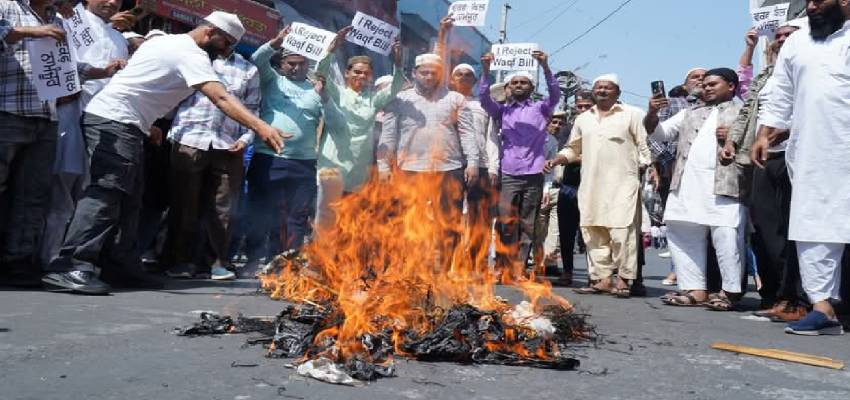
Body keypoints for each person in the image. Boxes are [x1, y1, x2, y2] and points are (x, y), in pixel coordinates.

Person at [41, 12, 287, 295]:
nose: (226, 50)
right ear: (209, 32)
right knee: (107, 193)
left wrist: (151, 125)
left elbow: (145, 84)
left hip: (131, 123)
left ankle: (119, 264)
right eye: (225, 42)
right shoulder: (188, 53)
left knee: (131, 199)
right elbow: (219, 96)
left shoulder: (167, 43)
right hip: (115, 119)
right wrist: (260, 127)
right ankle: (70, 265)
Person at [755, 0, 849, 336]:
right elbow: (781, 91)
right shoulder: (797, 41)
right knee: (813, 222)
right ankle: (823, 306)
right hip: (813, 147)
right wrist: (765, 132)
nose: (811, 7)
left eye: (819, 0)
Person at [40, 0, 129, 277]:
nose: (112, 1)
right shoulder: (69, 19)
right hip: (69, 110)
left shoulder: (119, 38)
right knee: (60, 190)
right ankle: (48, 258)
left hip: (104, 123)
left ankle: (73, 261)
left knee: (88, 191)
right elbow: (57, 61)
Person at [725, 21, 805, 322]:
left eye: (790, 35)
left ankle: (803, 298)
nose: (782, 39)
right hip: (764, 157)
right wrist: (735, 139)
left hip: (797, 155)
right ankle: (781, 296)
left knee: (794, 229)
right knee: (768, 230)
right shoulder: (769, 76)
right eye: (779, 36)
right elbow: (747, 102)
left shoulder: (811, 69)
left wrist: (786, 132)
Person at [648, 68, 746, 311]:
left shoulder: (743, 112)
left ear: (731, 86)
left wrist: (736, 136)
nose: (707, 87)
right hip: (686, 186)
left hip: (724, 187)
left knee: (727, 237)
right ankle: (695, 289)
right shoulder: (689, 113)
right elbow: (658, 133)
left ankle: (729, 291)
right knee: (682, 232)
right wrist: (652, 112)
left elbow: (758, 144)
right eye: (705, 84)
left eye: (713, 84)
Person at [163, 41, 261, 281]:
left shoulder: (248, 69)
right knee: (185, 204)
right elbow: (170, 98)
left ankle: (215, 262)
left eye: (228, 38)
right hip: (190, 139)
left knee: (223, 208)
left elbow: (253, 108)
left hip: (229, 145)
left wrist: (247, 138)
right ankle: (180, 261)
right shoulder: (194, 59)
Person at [548, 74, 651, 297]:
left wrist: (641, 167)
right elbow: (573, 148)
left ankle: (624, 280)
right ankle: (602, 279)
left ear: (618, 93)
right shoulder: (583, 119)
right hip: (591, 184)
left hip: (622, 183)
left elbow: (644, 147)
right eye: (598, 87)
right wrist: (558, 159)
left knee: (622, 231)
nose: (602, 91)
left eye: (608, 87)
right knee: (593, 231)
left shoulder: (632, 114)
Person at [244, 26, 322, 264]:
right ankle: (255, 259)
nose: (296, 67)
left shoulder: (317, 89)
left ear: (308, 64)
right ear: (282, 63)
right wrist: (275, 42)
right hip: (269, 157)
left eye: (302, 63)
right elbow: (257, 59)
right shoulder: (272, 81)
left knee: (297, 217)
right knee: (263, 211)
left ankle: (287, 263)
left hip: (304, 162)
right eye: (291, 63)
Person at [0, 0, 66, 286]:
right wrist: (32, 31)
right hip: (7, 110)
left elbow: (67, 65)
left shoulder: (57, 19)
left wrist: (99, 71)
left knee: (33, 195)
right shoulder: (6, 6)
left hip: (47, 117)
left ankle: (17, 261)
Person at [479, 50, 560, 278]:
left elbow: (555, 94)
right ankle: (502, 265)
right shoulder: (502, 111)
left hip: (533, 174)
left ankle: (518, 268)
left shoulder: (541, 109)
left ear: (531, 88)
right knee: (505, 222)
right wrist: (485, 71)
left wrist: (545, 67)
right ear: (509, 87)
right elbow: (484, 99)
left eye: (523, 82)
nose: (519, 85)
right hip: (509, 173)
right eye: (514, 82)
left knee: (527, 224)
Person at [314, 26, 403, 231]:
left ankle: (340, 263)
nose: (361, 76)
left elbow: (397, 85)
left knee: (349, 223)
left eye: (366, 73)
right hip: (332, 167)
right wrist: (333, 48)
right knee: (326, 220)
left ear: (371, 76)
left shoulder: (373, 99)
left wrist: (397, 62)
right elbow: (320, 73)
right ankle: (321, 261)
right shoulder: (337, 93)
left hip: (358, 171)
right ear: (347, 73)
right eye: (357, 72)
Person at [377, 53, 478, 212]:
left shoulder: (456, 99)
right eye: (424, 73)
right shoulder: (399, 100)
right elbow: (388, 135)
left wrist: (472, 163)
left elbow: (467, 134)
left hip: (448, 170)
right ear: (414, 73)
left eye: (434, 73)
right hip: (410, 170)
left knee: (449, 227)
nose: (429, 77)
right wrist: (383, 167)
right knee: (410, 226)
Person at [554, 91, 594, 286]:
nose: (583, 109)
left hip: (594, 186)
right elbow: (564, 154)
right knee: (566, 231)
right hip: (570, 185)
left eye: (587, 106)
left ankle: (595, 274)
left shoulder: (600, 128)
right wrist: (588, 156)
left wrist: (576, 155)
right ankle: (567, 271)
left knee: (591, 232)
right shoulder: (567, 129)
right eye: (580, 106)